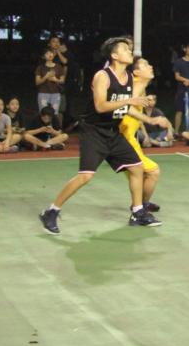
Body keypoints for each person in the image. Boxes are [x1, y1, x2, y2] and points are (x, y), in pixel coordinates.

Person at [38, 36, 160, 234]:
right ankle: (51, 211)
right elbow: (101, 106)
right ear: (114, 55)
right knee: (86, 176)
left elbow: (127, 103)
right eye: (125, 49)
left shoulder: (129, 78)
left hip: (113, 132)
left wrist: (145, 111)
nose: (130, 52)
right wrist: (129, 100)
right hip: (93, 131)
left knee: (137, 168)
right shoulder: (102, 76)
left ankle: (138, 212)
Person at [119, 55, 173, 213]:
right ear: (136, 72)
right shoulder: (137, 84)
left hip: (128, 139)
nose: (150, 66)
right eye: (145, 65)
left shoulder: (139, 86)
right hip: (123, 140)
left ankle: (139, 205)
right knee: (153, 171)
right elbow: (126, 105)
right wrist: (151, 119)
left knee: (140, 175)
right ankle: (140, 207)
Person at [35, 48, 67, 114]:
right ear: (43, 57)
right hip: (43, 93)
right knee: (43, 113)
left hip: (55, 93)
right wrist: (46, 77)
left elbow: (62, 80)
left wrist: (55, 79)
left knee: (55, 113)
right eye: (47, 53)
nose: (50, 54)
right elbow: (37, 82)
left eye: (51, 53)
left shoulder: (59, 67)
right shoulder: (40, 67)